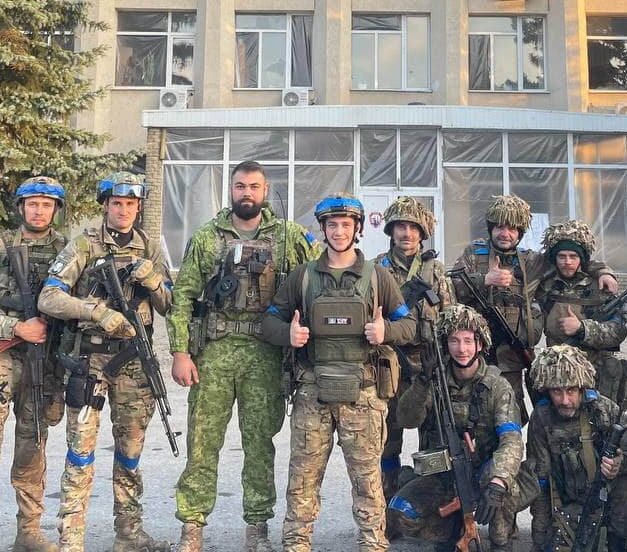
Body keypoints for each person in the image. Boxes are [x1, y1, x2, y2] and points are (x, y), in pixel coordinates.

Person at [167, 161, 319, 552]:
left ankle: (257, 526)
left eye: (254, 186)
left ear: (265, 191)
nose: (246, 193)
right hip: (214, 353)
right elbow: (182, 297)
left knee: (259, 443)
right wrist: (181, 352)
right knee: (202, 441)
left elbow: (320, 277)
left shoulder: (288, 237)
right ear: (231, 190)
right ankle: (193, 525)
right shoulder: (207, 237)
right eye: (239, 186)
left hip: (265, 356)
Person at [262, 195, 415, 552]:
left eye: (347, 224)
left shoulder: (379, 278)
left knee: (367, 481)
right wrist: (288, 334)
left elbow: (409, 324)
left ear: (358, 229)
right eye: (332, 225)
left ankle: (373, 543)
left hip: (362, 395)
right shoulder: (302, 277)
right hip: (313, 392)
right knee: (302, 479)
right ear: (323, 229)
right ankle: (297, 543)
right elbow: (269, 320)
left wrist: (386, 333)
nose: (340, 231)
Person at [37, 172, 172, 552]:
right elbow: (49, 298)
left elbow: (168, 305)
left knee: (130, 452)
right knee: (80, 454)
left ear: (139, 206)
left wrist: (153, 281)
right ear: (106, 206)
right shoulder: (83, 245)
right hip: (90, 362)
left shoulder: (151, 247)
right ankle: (71, 540)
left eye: (131, 204)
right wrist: (95, 312)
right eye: (117, 203)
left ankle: (128, 533)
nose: (124, 210)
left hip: (134, 364)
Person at [452, 195, 618, 422]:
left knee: (511, 413)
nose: (505, 233)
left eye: (512, 228)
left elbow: (569, 257)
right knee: (473, 414)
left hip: (512, 356)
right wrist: (485, 279)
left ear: (520, 233)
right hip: (473, 352)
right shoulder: (473, 253)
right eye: (500, 227)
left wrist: (603, 271)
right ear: (491, 228)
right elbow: (450, 286)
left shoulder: (531, 261)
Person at [386, 304, 523, 552]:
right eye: (454, 341)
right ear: (445, 345)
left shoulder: (497, 386)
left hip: (483, 473)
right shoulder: (433, 380)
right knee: (400, 512)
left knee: (504, 489)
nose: (462, 349)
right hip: (441, 476)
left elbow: (512, 440)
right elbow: (406, 420)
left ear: (480, 345)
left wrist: (498, 480)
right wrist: (422, 382)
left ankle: (501, 542)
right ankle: (448, 531)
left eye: (469, 341)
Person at [0, 176, 68, 552]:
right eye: (32, 203)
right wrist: (16, 327)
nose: (39, 210)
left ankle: (28, 530)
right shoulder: (2, 245)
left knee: (33, 442)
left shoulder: (68, 250)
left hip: (46, 359)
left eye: (46, 204)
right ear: (21, 208)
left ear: (56, 210)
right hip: (5, 352)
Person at [373, 195, 455, 501]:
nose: (406, 233)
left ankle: (427, 505)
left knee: (433, 441)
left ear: (422, 233)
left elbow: (450, 318)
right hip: (389, 364)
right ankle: (384, 508)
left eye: (413, 227)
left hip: (429, 366)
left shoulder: (436, 271)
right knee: (386, 441)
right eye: (400, 227)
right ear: (391, 231)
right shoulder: (376, 269)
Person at [526, 345, 627, 552]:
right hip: (572, 504)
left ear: (582, 387)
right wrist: (540, 538)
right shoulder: (541, 418)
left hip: (609, 498)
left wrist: (619, 464)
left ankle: (617, 540)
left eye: (571, 390)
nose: (565, 401)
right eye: (556, 392)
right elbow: (541, 480)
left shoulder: (604, 410)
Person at [536, 219, 627, 410]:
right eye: (562, 256)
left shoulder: (600, 286)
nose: (567, 262)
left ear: (581, 259)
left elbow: (618, 331)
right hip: (559, 373)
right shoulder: (545, 286)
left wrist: (583, 329)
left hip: (596, 371)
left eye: (573, 256)